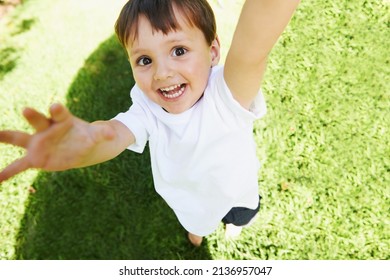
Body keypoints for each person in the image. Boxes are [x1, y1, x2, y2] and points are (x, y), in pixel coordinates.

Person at [0, 0, 300, 246]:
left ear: (212, 52)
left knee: (240, 214)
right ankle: (198, 229)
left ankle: (233, 225)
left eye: (178, 51)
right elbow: (113, 134)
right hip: (188, 197)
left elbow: (253, 48)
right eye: (144, 60)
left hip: (237, 188)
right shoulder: (147, 107)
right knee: (196, 222)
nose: (162, 73)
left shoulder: (227, 94)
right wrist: (87, 142)